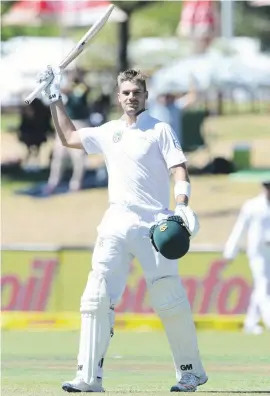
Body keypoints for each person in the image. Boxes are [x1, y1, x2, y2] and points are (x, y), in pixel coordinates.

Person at [37, 66, 208, 393]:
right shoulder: (109, 131)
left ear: (145, 96)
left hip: (155, 225)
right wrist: (54, 98)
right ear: (119, 97)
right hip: (115, 223)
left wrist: (182, 204)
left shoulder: (159, 130)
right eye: (126, 93)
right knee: (95, 298)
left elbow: (179, 168)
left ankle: (190, 372)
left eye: (137, 93)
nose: (132, 97)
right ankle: (88, 377)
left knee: (169, 299)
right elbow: (69, 137)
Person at [223, 179, 270, 335]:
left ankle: (250, 323)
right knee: (263, 285)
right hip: (258, 253)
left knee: (261, 286)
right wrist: (231, 250)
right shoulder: (253, 206)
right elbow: (240, 228)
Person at [45, 70, 90, 192]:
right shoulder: (66, 87)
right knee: (58, 154)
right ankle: (53, 182)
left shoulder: (82, 87)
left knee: (79, 156)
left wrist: (68, 90)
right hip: (65, 123)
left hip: (80, 123)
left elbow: (78, 98)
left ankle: (76, 183)